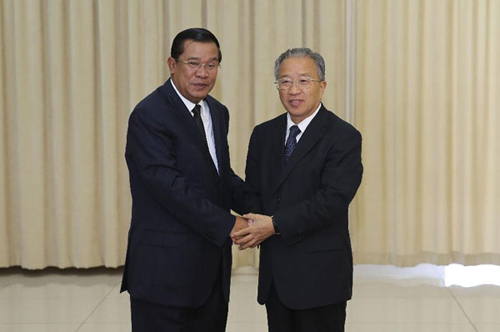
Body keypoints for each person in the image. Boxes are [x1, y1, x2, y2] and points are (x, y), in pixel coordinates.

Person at [120, 27, 248, 332]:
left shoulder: (217, 112)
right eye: (193, 63)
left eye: (211, 64)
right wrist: (231, 224)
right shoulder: (149, 114)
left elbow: (221, 178)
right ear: (171, 64)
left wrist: (268, 208)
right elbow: (169, 187)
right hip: (164, 273)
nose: (202, 73)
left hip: (211, 272)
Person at [233, 48, 363, 332]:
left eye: (304, 81)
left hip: (320, 275)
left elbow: (332, 201)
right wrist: (251, 224)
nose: (294, 90)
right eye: (285, 81)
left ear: (322, 86)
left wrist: (274, 225)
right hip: (276, 275)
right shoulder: (263, 134)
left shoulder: (344, 137)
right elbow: (253, 191)